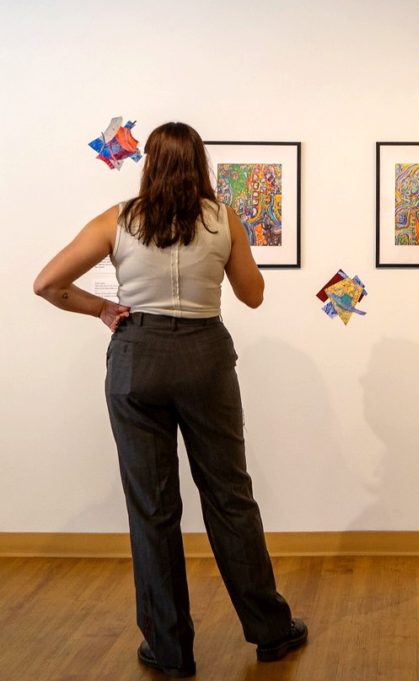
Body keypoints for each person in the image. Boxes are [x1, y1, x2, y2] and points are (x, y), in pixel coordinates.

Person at [33, 122, 307, 678]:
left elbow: (47, 283)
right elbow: (252, 296)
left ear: (150, 163)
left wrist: (102, 310)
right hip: (206, 358)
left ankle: (170, 649)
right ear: (200, 163)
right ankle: (271, 632)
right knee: (230, 498)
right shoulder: (223, 218)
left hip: (138, 360)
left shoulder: (118, 219)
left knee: (152, 509)